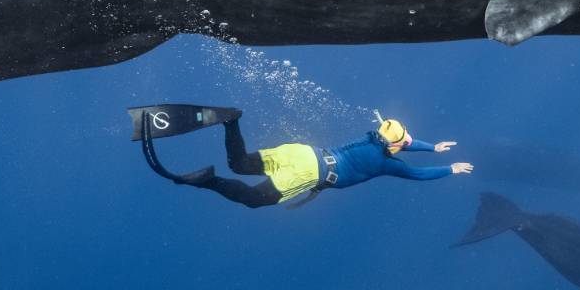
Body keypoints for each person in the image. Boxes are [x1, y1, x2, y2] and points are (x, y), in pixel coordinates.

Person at [152, 114, 472, 209]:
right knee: (253, 199)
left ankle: (231, 122)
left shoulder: (371, 136)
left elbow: (406, 142)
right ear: (396, 144)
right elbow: (417, 175)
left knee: (241, 164)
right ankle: (208, 180)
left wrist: (434, 147)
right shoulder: (387, 164)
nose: (409, 142)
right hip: (310, 171)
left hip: (302, 152)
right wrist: (449, 168)